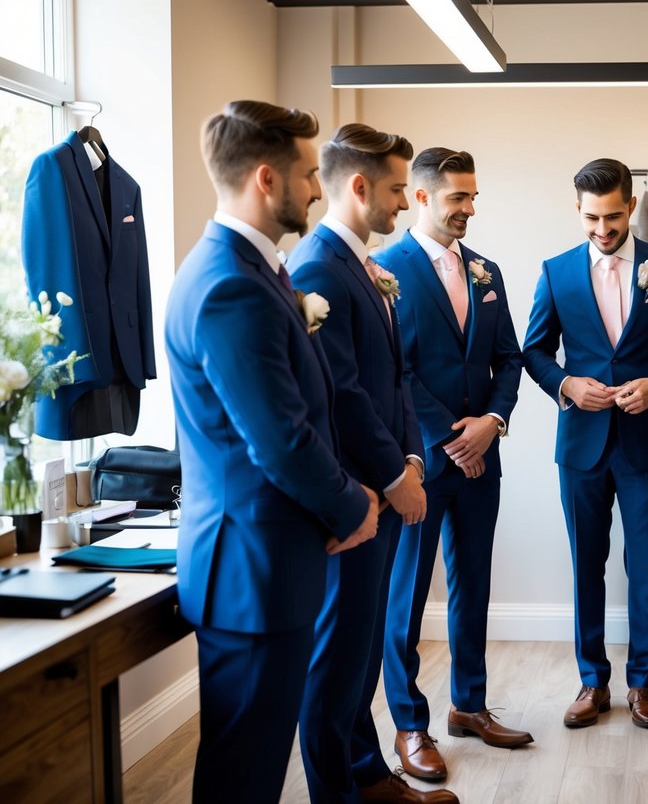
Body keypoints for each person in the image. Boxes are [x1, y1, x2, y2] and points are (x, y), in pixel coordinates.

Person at [165, 100, 380, 803]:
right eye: (308, 174)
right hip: (251, 570)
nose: (318, 189)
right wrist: (354, 506)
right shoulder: (231, 284)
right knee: (244, 771)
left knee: (252, 760)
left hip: (265, 562)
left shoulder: (251, 270)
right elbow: (281, 441)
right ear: (267, 178)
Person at [288, 124, 457, 804]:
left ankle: (366, 775)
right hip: (357, 498)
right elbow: (342, 391)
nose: (401, 202)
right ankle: (339, 792)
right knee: (336, 661)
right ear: (358, 187)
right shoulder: (317, 267)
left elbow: (397, 382)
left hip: (388, 485)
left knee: (359, 651)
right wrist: (393, 478)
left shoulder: (364, 265)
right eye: (393, 190)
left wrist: (412, 458)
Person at [522, 158, 648, 730]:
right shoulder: (556, 272)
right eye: (592, 218)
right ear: (577, 210)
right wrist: (567, 384)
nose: (603, 229)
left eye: (614, 216)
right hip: (580, 445)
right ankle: (591, 681)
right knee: (585, 565)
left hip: (646, 442)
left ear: (631, 204)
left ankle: (643, 684)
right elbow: (533, 350)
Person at [376, 147, 530, 782]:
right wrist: (449, 437)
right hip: (420, 464)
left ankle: (469, 704)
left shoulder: (487, 271)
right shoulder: (385, 270)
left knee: (474, 586)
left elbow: (510, 358)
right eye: (455, 198)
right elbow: (395, 371)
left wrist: (491, 424)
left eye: (472, 197)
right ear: (419, 197)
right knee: (405, 596)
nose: (468, 209)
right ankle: (411, 724)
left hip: (481, 459)